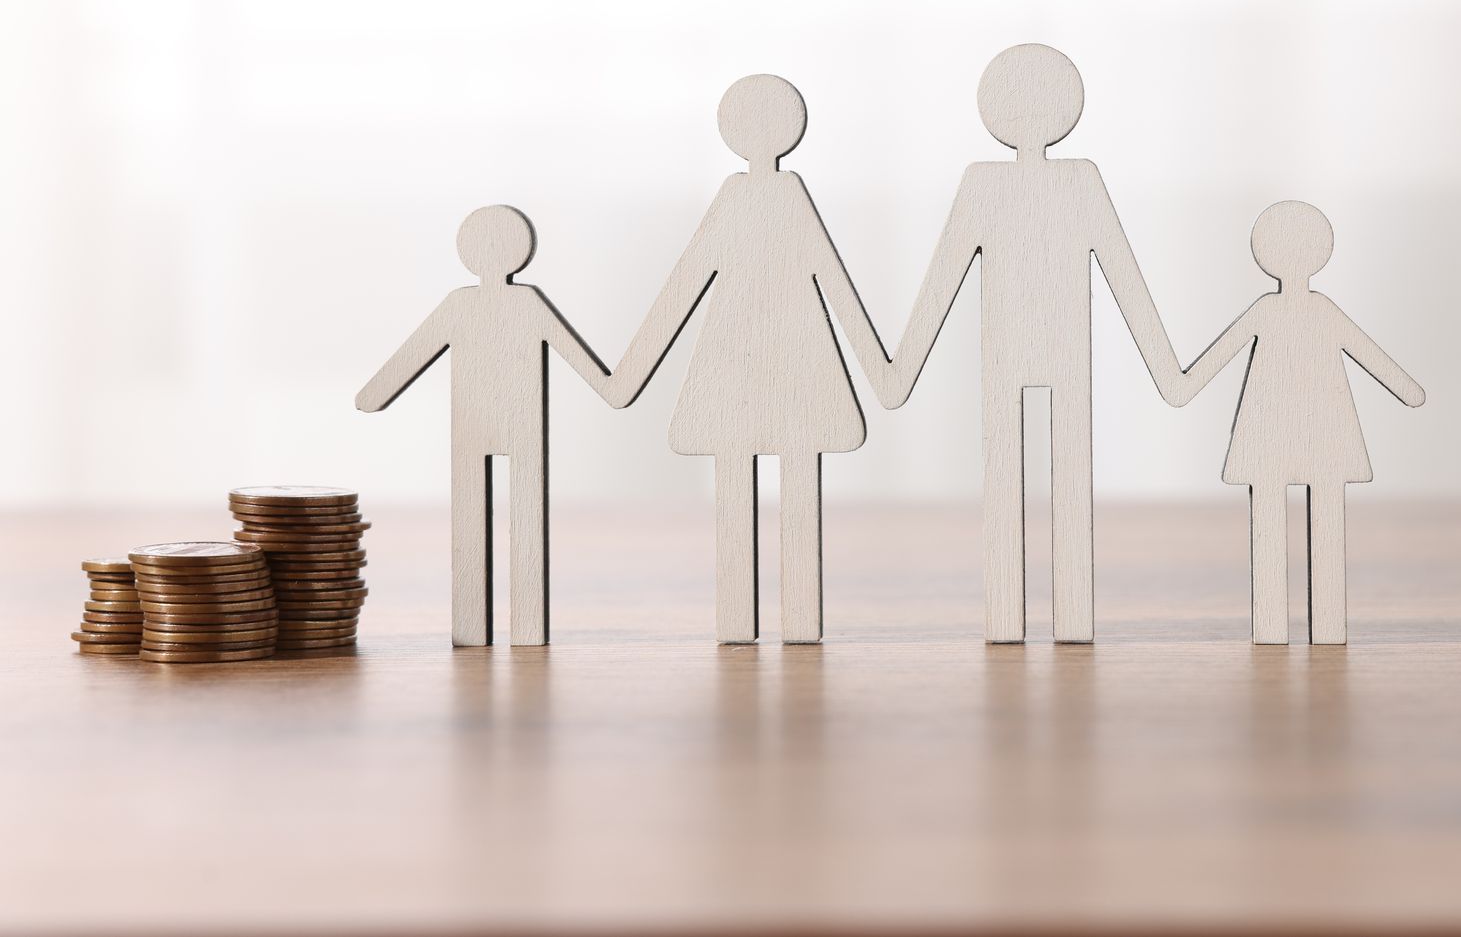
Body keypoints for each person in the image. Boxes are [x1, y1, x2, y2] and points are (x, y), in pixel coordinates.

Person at [883, 44, 1181, 643]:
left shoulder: (1015, 182)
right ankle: (1046, 615)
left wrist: (901, 370)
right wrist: (1166, 369)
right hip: (1035, 347)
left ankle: (1031, 616)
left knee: (1023, 480)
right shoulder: (1057, 181)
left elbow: (1118, 270)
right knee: (1042, 479)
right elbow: (1121, 276)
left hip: (1034, 349)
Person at [605, 75, 890, 644]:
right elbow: (828, 281)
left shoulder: (755, 199)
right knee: (780, 480)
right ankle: (785, 619)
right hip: (780, 362)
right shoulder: (770, 198)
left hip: (748, 365)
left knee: (746, 481)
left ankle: (756, 620)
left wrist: (628, 374)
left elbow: (686, 286)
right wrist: (883, 371)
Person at [356, 205, 616, 647]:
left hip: (490, 430)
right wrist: (616, 387)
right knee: (518, 524)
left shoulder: (471, 304)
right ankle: (519, 626)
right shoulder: (517, 303)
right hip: (506, 428)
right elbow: (591, 371)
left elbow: (405, 361)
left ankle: (483, 627)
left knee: (487, 522)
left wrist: (374, 395)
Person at [1166, 201, 1424, 645]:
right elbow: (1374, 360)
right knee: (1319, 521)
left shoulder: (1272, 311)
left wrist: (1179, 385)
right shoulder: (1318, 310)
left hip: (1274, 434)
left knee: (1277, 520)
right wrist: (1408, 390)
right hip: (1320, 434)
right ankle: (1316, 626)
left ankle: (1277, 626)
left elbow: (1206, 367)